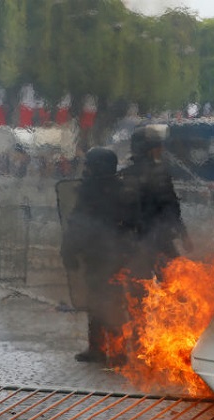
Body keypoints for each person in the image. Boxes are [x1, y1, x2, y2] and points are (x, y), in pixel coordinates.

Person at [61, 148, 130, 363]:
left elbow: (77, 224)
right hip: (114, 256)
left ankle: (104, 349)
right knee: (109, 301)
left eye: (89, 165)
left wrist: (69, 250)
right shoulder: (122, 190)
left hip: (101, 256)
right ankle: (111, 350)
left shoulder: (89, 191)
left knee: (103, 302)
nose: (86, 169)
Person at [122, 124, 193, 281]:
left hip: (134, 241)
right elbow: (171, 208)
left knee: (139, 287)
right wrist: (183, 235)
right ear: (149, 149)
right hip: (159, 239)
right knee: (175, 281)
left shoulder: (124, 175)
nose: (161, 149)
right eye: (157, 146)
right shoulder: (158, 174)